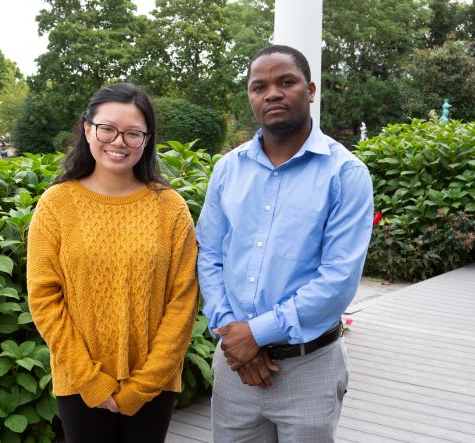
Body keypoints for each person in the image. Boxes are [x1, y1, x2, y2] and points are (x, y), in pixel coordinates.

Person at [196, 45, 374, 442]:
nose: (271, 93)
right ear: (251, 97)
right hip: (235, 369)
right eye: (259, 86)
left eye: (286, 82)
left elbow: (338, 280)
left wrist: (255, 334)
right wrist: (232, 332)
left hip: (309, 369)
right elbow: (208, 253)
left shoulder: (345, 173)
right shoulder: (228, 169)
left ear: (310, 90)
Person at [27, 83, 199, 443]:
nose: (118, 141)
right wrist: (90, 380)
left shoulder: (170, 209)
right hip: (79, 383)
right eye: (107, 128)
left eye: (133, 133)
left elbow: (183, 301)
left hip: (155, 385)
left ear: (147, 139)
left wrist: (145, 384)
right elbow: (44, 297)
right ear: (88, 128)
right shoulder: (56, 204)